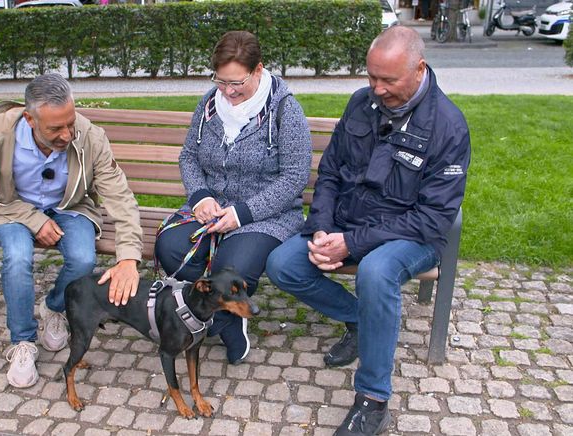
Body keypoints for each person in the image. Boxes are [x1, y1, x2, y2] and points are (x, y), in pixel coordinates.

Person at [266, 26, 470, 435]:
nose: (376, 88)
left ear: (419, 69)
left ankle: (373, 400)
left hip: (411, 237)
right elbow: (330, 173)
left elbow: (433, 218)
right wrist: (323, 229)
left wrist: (352, 244)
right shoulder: (361, 103)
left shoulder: (448, 126)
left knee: (376, 272)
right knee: (282, 264)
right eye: (371, 76)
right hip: (348, 223)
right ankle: (361, 320)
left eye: (388, 80)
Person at [0, 73, 143, 388]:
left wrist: (128, 257)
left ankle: (53, 307)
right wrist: (33, 219)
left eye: (70, 123)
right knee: (18, 258)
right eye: (55, 128)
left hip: (69, 207)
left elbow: (119, 196)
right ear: (29, 119)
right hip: (13, 209)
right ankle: (22, 341)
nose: (66, 134)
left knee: (83, 258)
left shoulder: (89, 136)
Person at [154, 31, 312, 365]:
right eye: (220, 80)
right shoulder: (209, 104)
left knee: (233, 266)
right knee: (169, 247)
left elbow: (295, 177)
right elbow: (189, 157)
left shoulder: (285, 109)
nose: (226, 91)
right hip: (210, 209)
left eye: (236, 82)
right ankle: (212, 315)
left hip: (267, 215)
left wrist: (242, 213)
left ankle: (227, 322)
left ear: (258, 70)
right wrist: (201, 197)